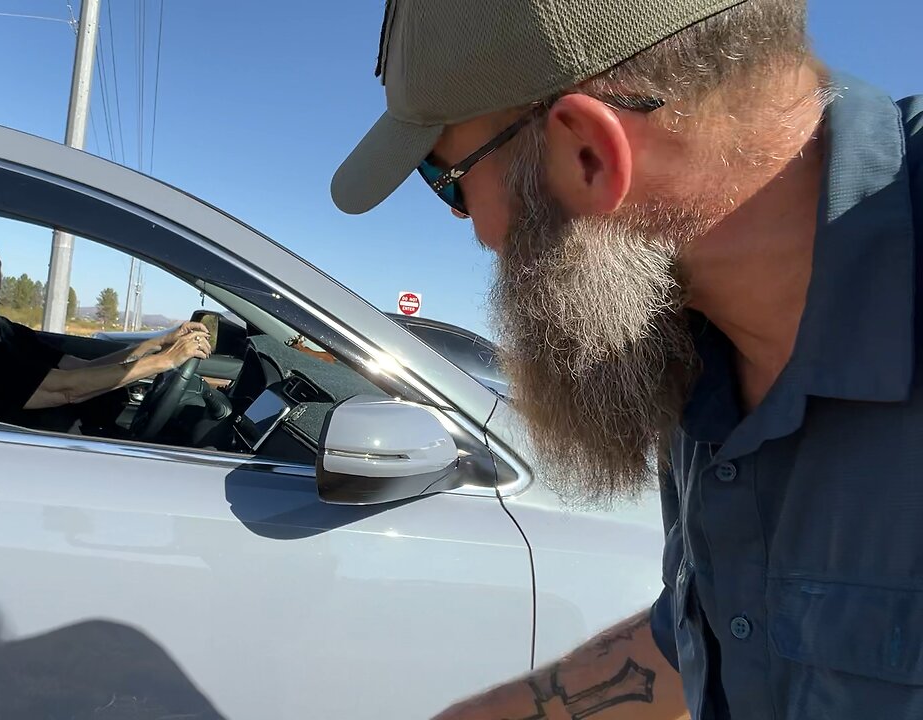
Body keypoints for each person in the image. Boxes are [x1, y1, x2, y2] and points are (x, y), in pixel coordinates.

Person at [332, 0, 923, 718]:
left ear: (587, 155)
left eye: (447, 181)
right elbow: (726, 627)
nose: (476, 231)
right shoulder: (686, 327)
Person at [0, 227, 211, 430]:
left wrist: (157, 342)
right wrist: (164, 361)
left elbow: (79, 369)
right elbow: (66, 389)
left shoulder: (8, 331)